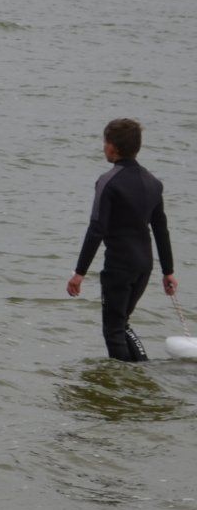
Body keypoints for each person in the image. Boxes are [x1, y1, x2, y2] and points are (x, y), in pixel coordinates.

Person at [67, 117, 177, 361]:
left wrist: (79, 272)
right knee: (121, 323)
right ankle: (140, 371)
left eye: (105, 142)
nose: (103, 146)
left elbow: (96, 228)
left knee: (113, 330)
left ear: (113, 147)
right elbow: (161, 229)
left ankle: (126, 379)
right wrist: (168, 271)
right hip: (144, 265)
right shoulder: (153, 183)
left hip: (120, 266)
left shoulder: (108, 182)